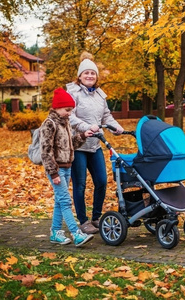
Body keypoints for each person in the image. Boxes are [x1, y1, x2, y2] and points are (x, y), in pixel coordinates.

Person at [67, 54, 124, 234]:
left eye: (93, 73)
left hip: (95, 144)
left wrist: (116, 126)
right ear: (80, 76)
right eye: (86, 73)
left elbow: (106, 115)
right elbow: (70, 116)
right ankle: (83, 221)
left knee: (101, 181)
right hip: (78, 145)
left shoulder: (100, 95)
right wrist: (86, 127)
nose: (90, 76)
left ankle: (96, 218)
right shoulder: (73, 93)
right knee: (80, 184)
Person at [41, 87, 94, 247]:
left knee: (59, 201)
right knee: (65, 200)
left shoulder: (65, 123)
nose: (70, 113)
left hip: (67, 167)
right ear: (57, 107)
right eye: (67, 110)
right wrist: (54, 173)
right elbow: (46, 151)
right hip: (56, 169)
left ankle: (56, 232)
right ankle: (76, 233)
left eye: (71, 110)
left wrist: (83, 136)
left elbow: (71, 145)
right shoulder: (49, 124)